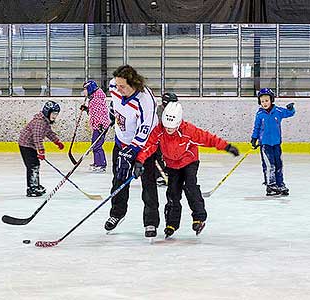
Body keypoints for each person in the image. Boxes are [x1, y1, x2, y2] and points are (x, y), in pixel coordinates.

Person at [135, 102, 240, 238]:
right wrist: (139, 161)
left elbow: (208, 139)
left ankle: (199, 218)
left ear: (179, 122)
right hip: (172, 164)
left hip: (189, 162)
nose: (169, 130)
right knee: (173, 193)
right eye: (167, 127)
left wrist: (227, 147)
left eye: (172, 127)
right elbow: (149, 146)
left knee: (190, 186)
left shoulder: (188, 130)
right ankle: (171, 223)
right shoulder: (159, 131)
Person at [106, 65, 160, 238]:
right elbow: (115, 104)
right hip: (121, 142)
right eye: (117, 85)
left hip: (144, 147)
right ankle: (117, 213)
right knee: (119, 179)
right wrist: (113, 114)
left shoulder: (146, 101)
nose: (118, 88)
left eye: (123, 86)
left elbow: (145, 129)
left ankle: (151, 221)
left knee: (148, 183)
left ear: (134, 84)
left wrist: (132, 153)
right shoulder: (114, 86)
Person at [251, 88, 295, 196]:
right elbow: (256, 127)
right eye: (262, 101)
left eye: (266, 100)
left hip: (276, 144)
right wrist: (254, 138)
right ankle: (271, 185)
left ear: (271, 100)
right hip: (265, 145)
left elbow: (289, 113)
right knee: (269, 165)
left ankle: (280, 184)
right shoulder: (260, 114)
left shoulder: (278, 111)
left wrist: (291, 109)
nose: (264, 103)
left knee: (278, 164)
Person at [18, 101, 65, 197]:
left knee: (35, 165)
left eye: (56, 114)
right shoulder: (39, 122)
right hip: (26, 145)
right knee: (33, 166)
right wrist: (41, 151)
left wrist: (57, 141)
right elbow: (37, 137)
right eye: (53, 114)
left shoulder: (45, 121)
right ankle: (32, 188)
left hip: (31, 145)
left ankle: (35, 184)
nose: (55, 116)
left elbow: (48, 132)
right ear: (47, 112)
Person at [80, 80, 110, 173]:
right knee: (95, 144)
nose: (84, 91)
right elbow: (94, 112)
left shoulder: (96, 100)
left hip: (100, 126)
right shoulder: (93, 98)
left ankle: (101, 165)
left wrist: (100, 125)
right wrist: (86, 109)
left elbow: (100, 113)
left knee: (97, 145)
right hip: (98, 126)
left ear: (90, 89)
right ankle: (98, 162)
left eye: (85, 89)